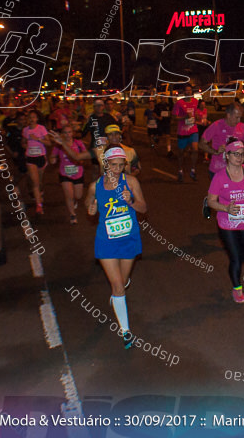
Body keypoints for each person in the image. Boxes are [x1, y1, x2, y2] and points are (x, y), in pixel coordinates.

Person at [86, 146, 149, 349]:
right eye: (114, 165)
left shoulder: (130, 182)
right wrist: (92, 208)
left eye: (121, 165)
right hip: (106, 241)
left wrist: (131, 201)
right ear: (106, 165)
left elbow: (143, 207)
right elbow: (89, 205)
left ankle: (118, 294)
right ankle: (126, 331)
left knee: (121, 282)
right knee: (118, 286)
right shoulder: (95, 186)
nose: (118, 169)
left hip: (128, 238)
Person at [206, 139, 244, 303]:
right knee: (236, 258)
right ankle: (237, 289)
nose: (239, 157)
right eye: (236, 154)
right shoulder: (219, 177)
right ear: (227, 155)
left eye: (242, 154)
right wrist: (225, 208)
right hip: (227, 224)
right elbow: (211, 201)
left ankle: (238, 250)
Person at [201, 102, 244, 181]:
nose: (239, 120)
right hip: (218, 170)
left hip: (236, 171)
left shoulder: (242, 127)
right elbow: (202, 143)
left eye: (240, 117)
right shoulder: (216, 125)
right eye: (237, 117)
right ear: (228, 115)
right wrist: (215, 152)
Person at [48, 123, 88, 224]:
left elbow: (85, 156)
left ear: (73, 133)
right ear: (62, 134)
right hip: (65, 174)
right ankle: (72, 215)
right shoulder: (58, 145)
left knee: (78, 196)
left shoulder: (79, 143)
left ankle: (75, 201)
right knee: (69, 195)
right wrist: (52, 159)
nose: (67, 134)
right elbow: (52, 157)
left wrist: (80, 161)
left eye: (69, 132)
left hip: (78, 173)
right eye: (65, 133)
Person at [21, 109, 54, 215]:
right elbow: (23, 142)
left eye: (34, 117)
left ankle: (40, 192)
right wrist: (25, 145)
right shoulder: (25, 130)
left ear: (37, 119)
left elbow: (49, 143)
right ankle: (39, 206)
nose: (31, 119)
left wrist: (38, 139)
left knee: (39, 182)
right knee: (35, 183)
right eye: (30, 117)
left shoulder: (42, 129)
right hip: (30, 158)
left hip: (41, 158)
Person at [173, 84, 200, 182]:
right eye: (186, 90)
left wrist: (196, 117)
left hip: (193, 129)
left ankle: (193, 170)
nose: (188, 92)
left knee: (195, 149)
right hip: (182, 131)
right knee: (181, 153)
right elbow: (174, 117)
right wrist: (184, 117)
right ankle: (180, 170)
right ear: (184, 92)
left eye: (190, 90)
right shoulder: (179, 103)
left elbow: (196, 113)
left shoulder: (195, 102)